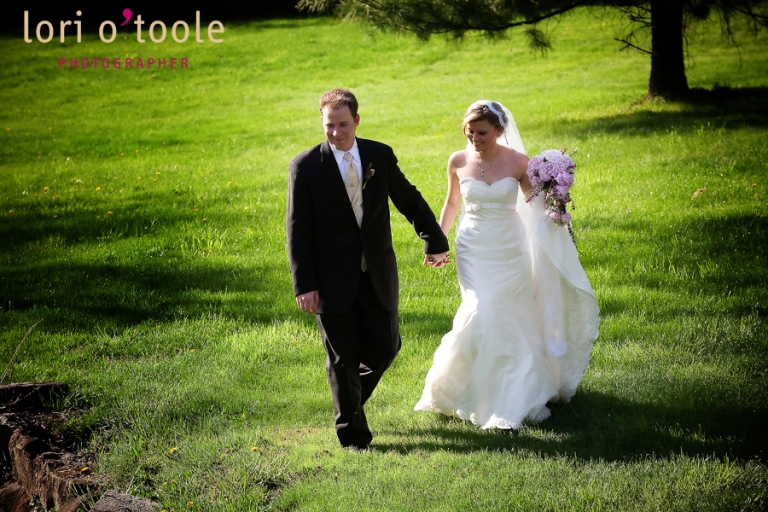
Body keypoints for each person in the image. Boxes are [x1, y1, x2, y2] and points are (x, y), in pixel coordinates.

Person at [414, 100, 599, 429]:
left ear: (499, 131)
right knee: (480, 308)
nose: (474, 138)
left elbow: (533, 202)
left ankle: (515, 390)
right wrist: (438, 242)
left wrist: (555, 202)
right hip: (472, 248)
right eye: (470, 132)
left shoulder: (517, 161)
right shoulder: (457, 161)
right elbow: (452, 202)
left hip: (509, 248)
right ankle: (466, 388)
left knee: (506, 313)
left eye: (482, 132)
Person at [286, 88, 450, 449]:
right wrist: (304, 284)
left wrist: (434, 239)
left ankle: (349, 401)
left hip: (377, 271)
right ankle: (353, 436)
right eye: (329, 125)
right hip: (330, 278)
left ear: (357, 120)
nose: (336, 132)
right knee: (343, 359)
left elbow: (408, 199)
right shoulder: (306, 166)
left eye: (343, 124)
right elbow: (297, 230)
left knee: (386, 348)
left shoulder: (379, 155)